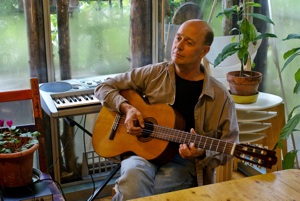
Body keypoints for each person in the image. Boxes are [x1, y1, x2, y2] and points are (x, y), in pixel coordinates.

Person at [94, 19, 239, 200]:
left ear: (204, 51)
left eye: (189, 42)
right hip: (142, 155)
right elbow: (103, 87)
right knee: (132, 180)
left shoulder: (220, 97)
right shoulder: (154, 73)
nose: (178, 46)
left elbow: (229, 146)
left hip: (183, 163)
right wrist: (127, 108)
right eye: (178, 38)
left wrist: (202, 152)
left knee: (136, 192)